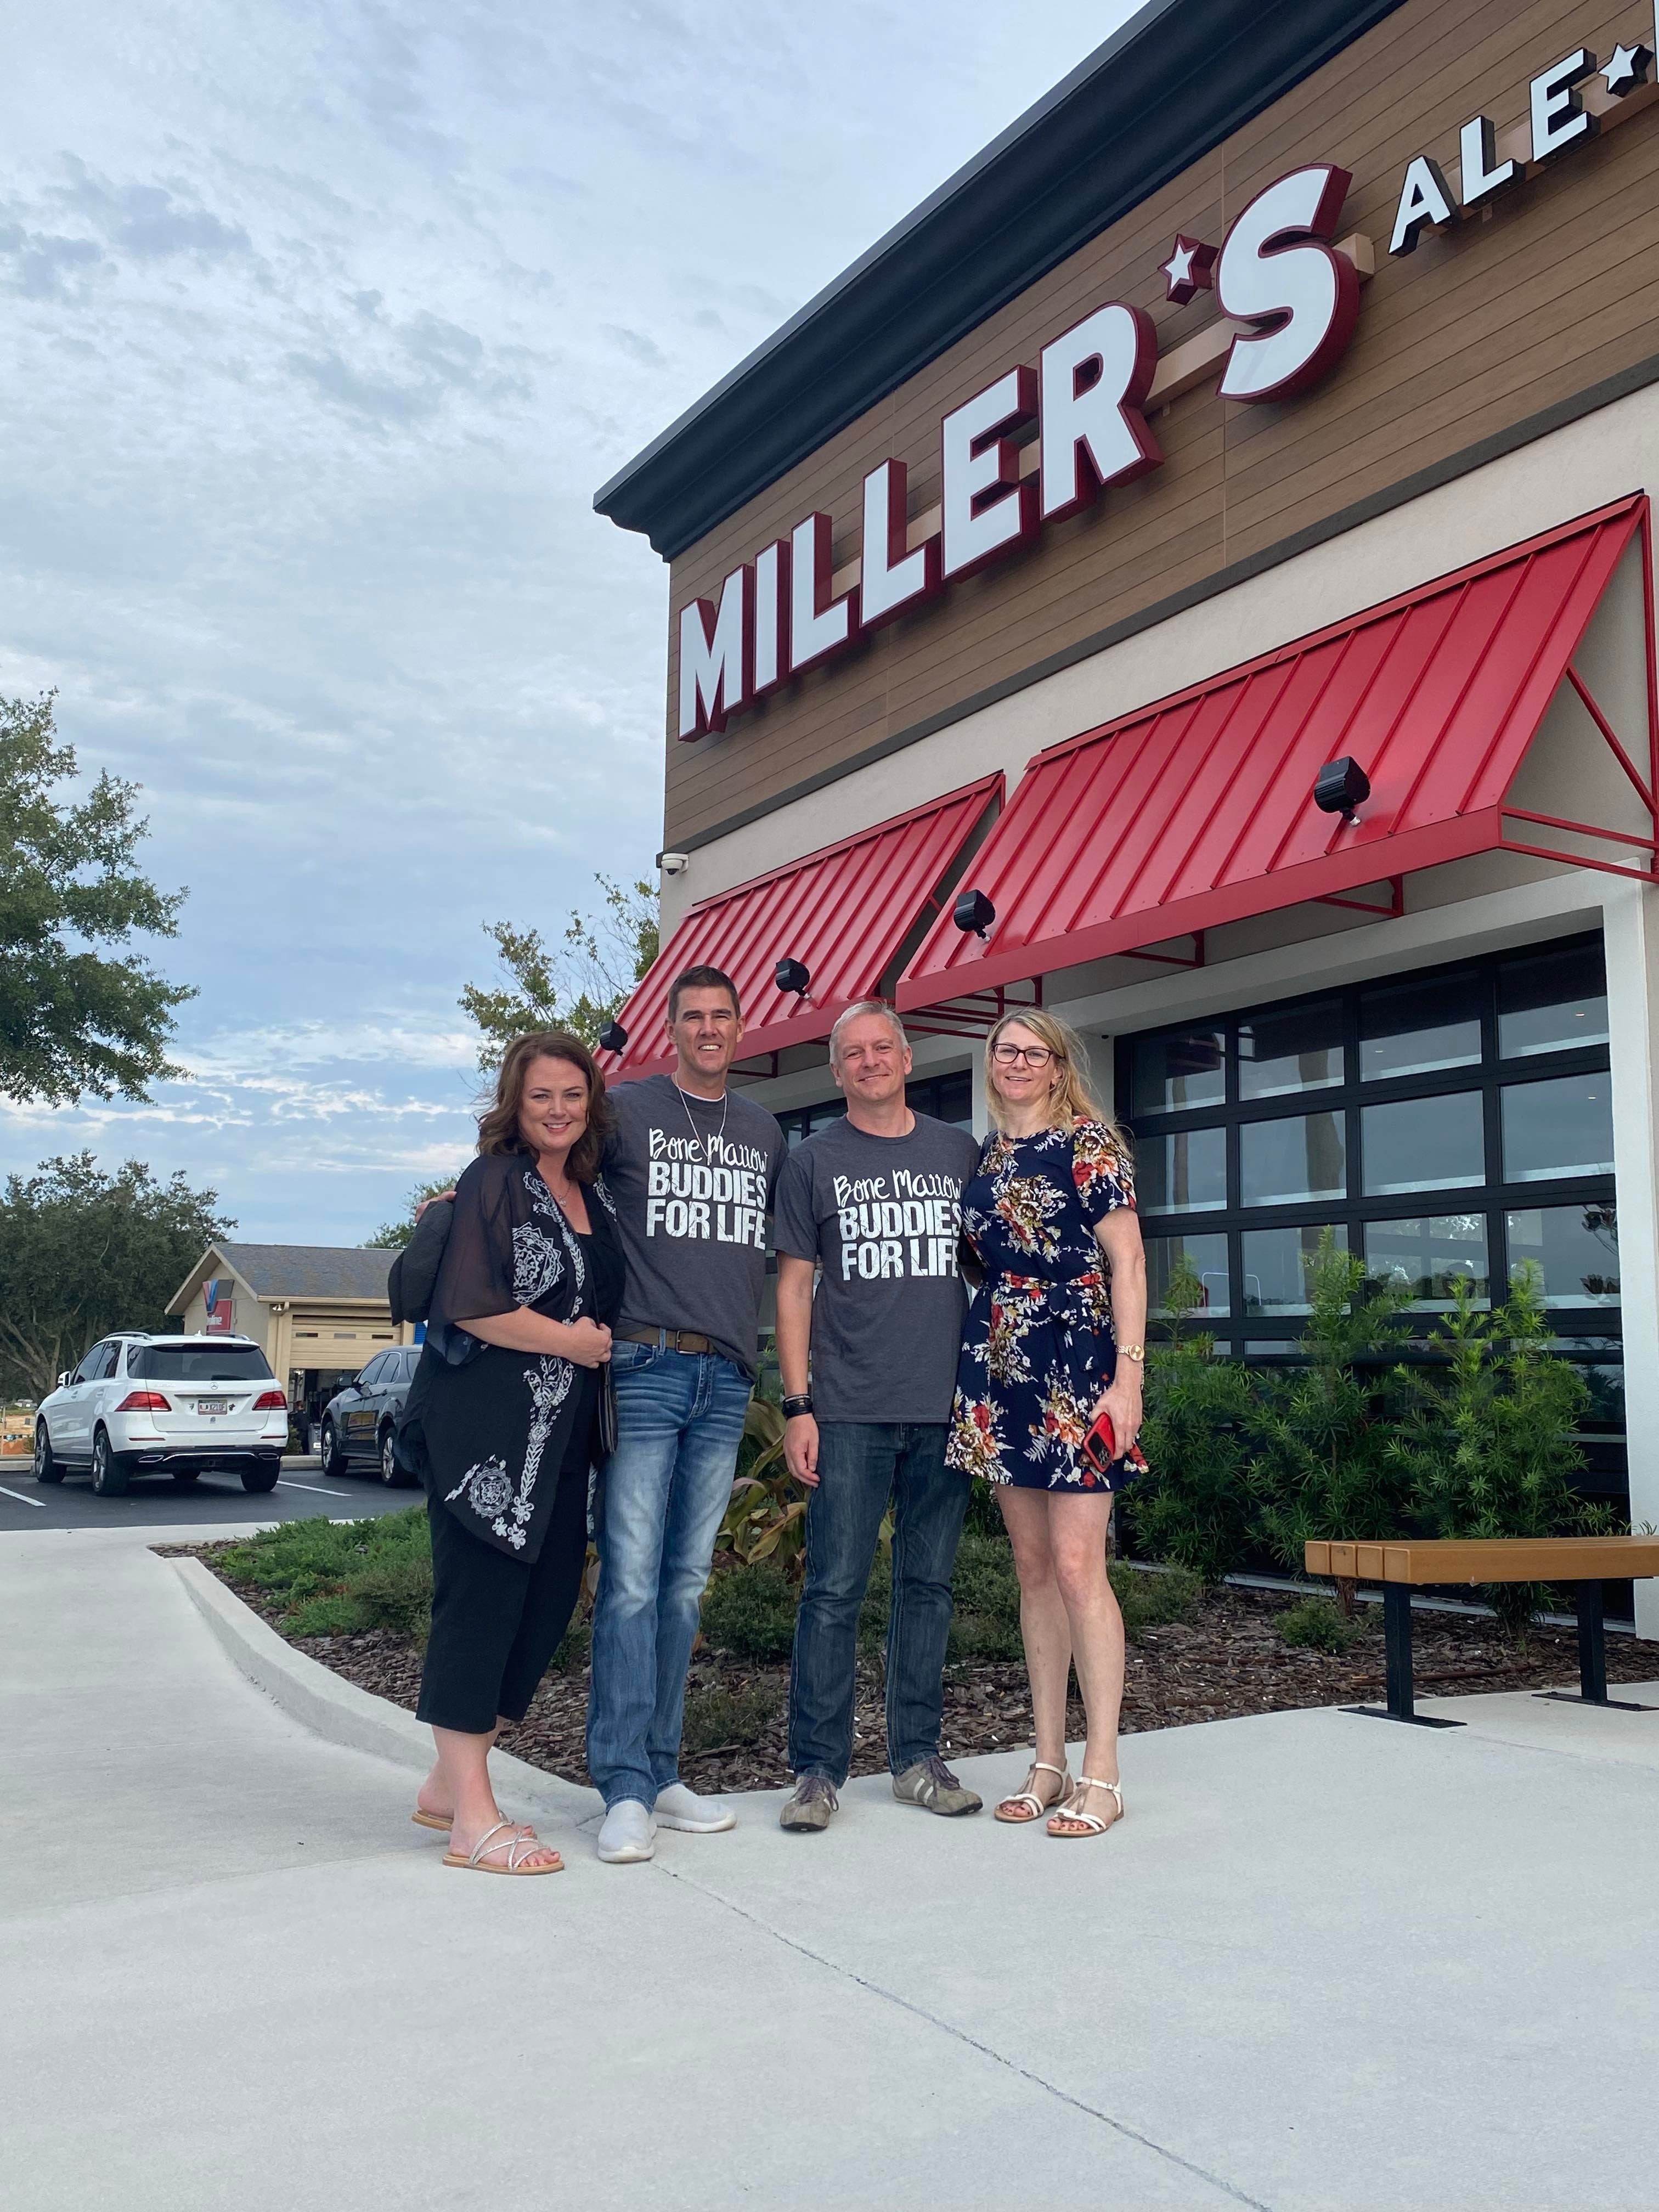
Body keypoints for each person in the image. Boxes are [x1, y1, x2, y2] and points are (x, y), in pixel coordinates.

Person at [407, 1030, 624, 1876]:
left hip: (562, 1443)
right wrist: (573, 1344)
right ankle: (472, 1821)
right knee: (480, 1611)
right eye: (541, 1096)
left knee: (542, 1612)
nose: (558, 1110)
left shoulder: (588, 1193)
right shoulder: (495, 1180)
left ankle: (445, 1785)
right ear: (515, 1103)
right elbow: (467, 1304)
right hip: (485, 1441)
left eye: (572, 1094)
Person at [586, 965, 785, 1863]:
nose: (709, 1029)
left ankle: (660, 1772)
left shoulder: (764, 1129)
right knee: (630, 1578)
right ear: (672, 1029)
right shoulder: (627, 1109)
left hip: (726, 1379)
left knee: (685, 1583)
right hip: (645, 1363)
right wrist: (473, 1192)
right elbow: (548, 1162)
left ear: (742, 1028)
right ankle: (622, 1785)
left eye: (722, 1016)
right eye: (693, 1016)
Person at [772, 1003, 984, 1832]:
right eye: (853, 1053)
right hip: (850, 1410)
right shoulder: (812, 1162)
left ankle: (917, 1759)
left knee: (928, 1587)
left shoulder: (957, 1152)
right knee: (834, 1589)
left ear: (907, 1057)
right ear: (837, 1071)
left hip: (943, 1407)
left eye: (882, 1048)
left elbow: (990, 1267)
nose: (870, 1062)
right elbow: (795, 1287)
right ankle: (817, 1772)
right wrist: (799, 1404)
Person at [947, 1010, 1148, 1842]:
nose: (1018, 1062)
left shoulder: (1088, 1145)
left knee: (1077, 1566)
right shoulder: (987, 1155)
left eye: (1034, 1052)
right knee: (1033, 1568)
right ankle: (1047, 1760)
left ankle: (1103, 1771)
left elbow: (1128, 1260)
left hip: (1078, 1364)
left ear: (1060, 1067)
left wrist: (1128, 1380)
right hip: (1003, 1363)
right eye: (1006, 1050)